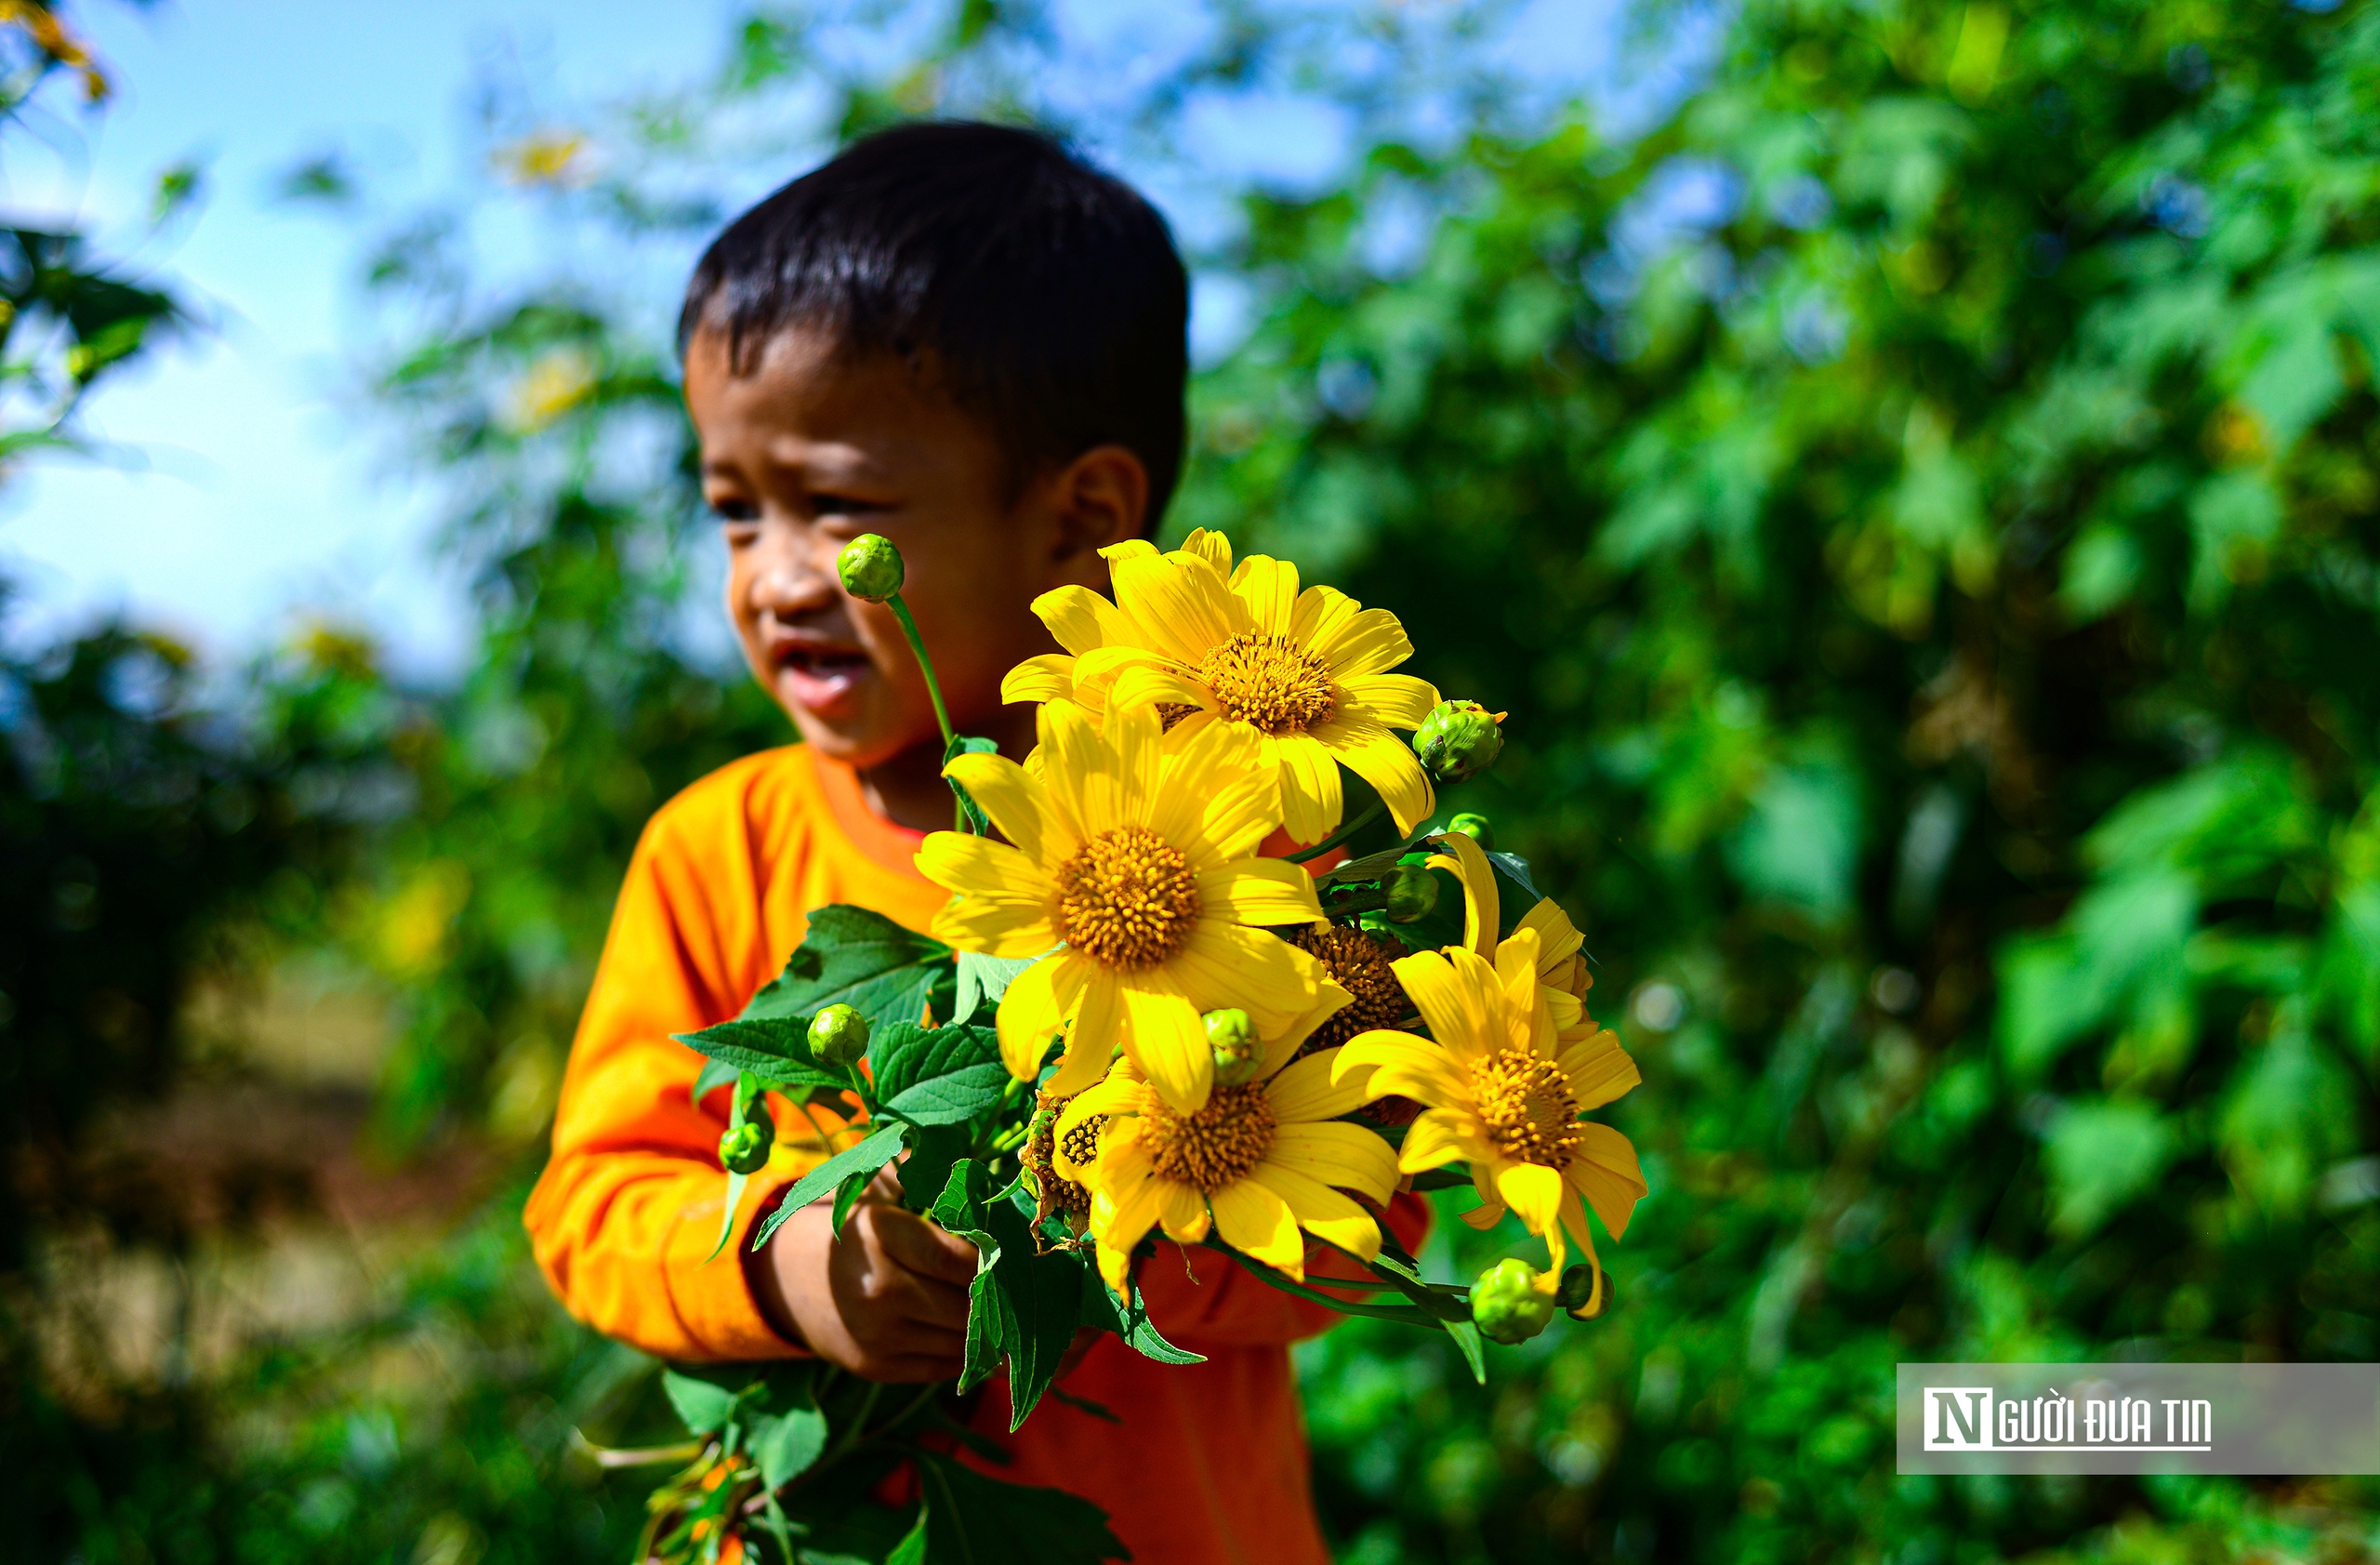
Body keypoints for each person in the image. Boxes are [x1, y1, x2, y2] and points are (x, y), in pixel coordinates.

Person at [522, 121, 1429, 1565]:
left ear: (1082, 521)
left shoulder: (1250, 841)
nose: (774, 580)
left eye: (839, 509)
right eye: (734, 513)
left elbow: (1368, 1225)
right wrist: (787, 1265)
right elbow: (594, 1200)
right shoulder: (718, 849)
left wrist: (1106, 1229)